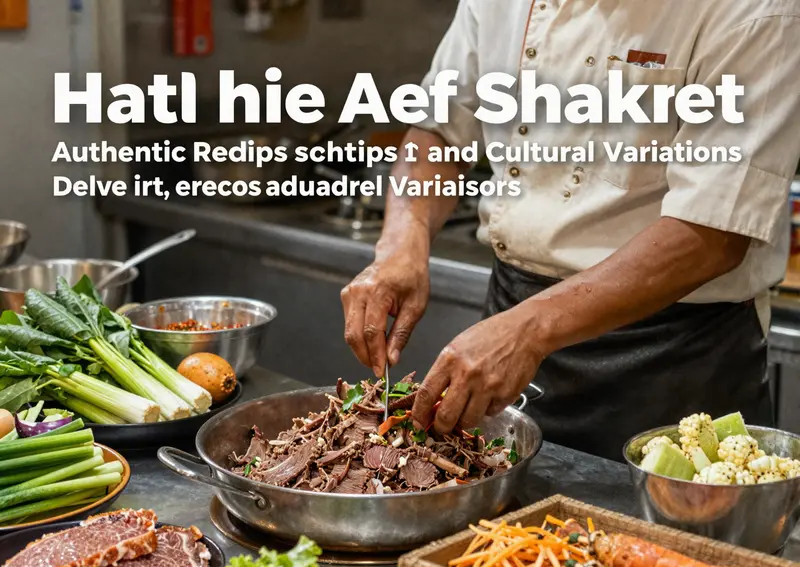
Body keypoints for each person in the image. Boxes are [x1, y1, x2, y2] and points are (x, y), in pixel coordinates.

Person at [340, 0, 800, 461]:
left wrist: (529, 330)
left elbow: (712, 234)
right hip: (511, 314)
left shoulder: (755, 9)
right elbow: (441, 128)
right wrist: (402, 240)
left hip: (672, 358)